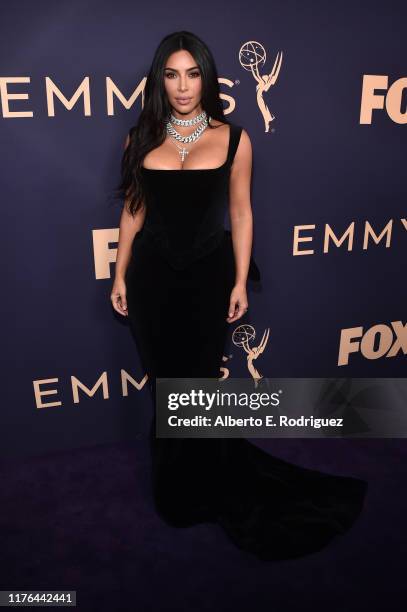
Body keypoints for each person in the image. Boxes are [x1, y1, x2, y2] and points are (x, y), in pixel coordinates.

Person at [111, 30, 367, 560]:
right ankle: (175, 493)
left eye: (193, 73)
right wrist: (119, 274)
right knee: (165, 386)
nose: (183, 86)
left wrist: (236, 280)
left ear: (207, 77)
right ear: (160, 79)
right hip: (152, 280)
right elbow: (133, 210)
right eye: (172, 74)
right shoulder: (139, 138)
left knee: (199, 386)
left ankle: (204, 483)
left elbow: (242, 212)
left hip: (207, 279)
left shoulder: (235, 139)